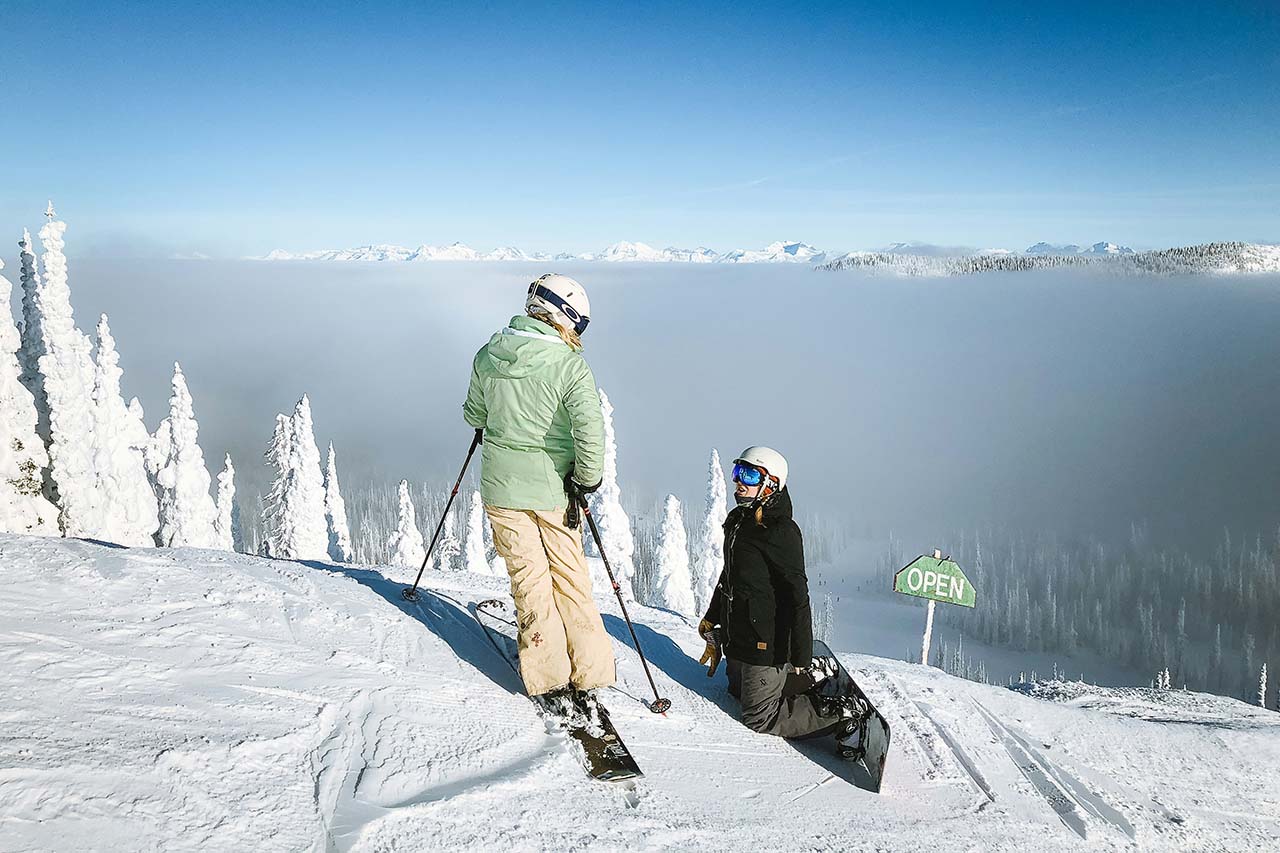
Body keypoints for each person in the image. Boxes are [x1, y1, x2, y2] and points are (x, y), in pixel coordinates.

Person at [462, 273, 614, 705]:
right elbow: (589, 429)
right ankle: (590, 671)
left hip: (503, 491)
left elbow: (474, 413)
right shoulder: (569, 366)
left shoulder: (489, 354)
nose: (577, 334)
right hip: (554, 492)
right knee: (570, 579)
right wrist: (587, 479)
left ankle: (547, 677)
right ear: (563, 316)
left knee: (528, 580)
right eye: (578, 324)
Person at [698, 446, 866, 754]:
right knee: (735, 690)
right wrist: (712, 618)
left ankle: (842, 713)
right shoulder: (738, 520)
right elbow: (729, 577)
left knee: (758, 717)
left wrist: (799, 656)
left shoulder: (781, 531)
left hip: (767, 642)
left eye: (749, 475)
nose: (738, 481)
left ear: (771, 483)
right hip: (741, 634)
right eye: (737, 472)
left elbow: (797, 596)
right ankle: (801, 678)